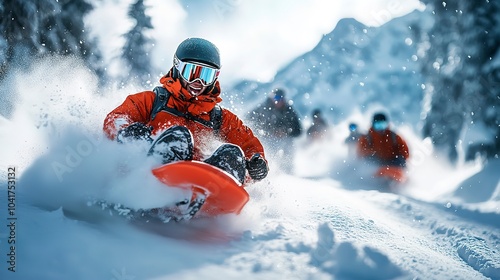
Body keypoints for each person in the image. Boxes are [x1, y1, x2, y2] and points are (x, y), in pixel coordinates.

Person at [103, 37, 268, 184]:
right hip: (148, 172)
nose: (198, 82)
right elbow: (116, 118)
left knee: (232, 154)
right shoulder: (153, 101)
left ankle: (214, 198)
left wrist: (256, 164)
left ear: (215, 78)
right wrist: (127, 132)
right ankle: (155, 188)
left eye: (206, 76)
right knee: (178, 137)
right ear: (177, 68)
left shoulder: (218, 117)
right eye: (192, 72)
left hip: (197, 181)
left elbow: (249, 144)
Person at [247, 88, 302, 172]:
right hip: (266, 138)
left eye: (281, 98)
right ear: (272, 98)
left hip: (284, 139)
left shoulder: (289, 111)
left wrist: (286, 132)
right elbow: (249, 121)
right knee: (267, 146)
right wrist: (270, 132)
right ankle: (268, 167)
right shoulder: (263, 108)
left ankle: (287, 169)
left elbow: (298, 131)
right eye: (276, 98)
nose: (278, 101)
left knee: (289, 143)